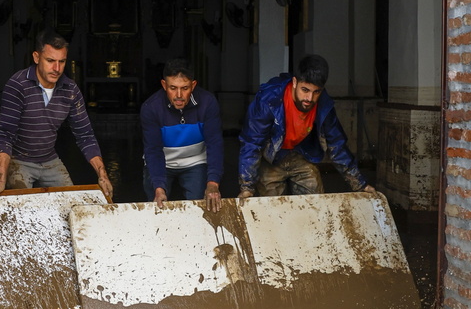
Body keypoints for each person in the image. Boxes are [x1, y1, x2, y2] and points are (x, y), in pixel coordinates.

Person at [0, 30, 113, 200]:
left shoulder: (70, 90)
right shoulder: (17, 85)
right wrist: (1, 177)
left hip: (49, 159)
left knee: (70, 204)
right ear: (36, 57)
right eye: (50, 61)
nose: (57, 68)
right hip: (17, 160)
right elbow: (5, 134)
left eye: (61, 62)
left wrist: (102, 174)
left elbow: (85, 136)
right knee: (23, 205)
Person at [238, 54, 374, 198]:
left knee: (316, 204)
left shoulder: (324, 104)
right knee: (272, 209)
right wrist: (247, 186)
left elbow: (337, 145)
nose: (310, 98)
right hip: (271, 159)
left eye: (316, 92)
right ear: (295, 82)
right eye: (305, 90)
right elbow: (252, 142)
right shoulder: (268, 100)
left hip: (301, 154)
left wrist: (360, 183)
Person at [140, 58, 224, 211]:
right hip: (162, 163)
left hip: (195, 161)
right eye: (173, 88)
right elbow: (153, 151)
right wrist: (159, 187)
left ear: (193, 85)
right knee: (157, 208)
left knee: (201, 208)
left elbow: (215, 144)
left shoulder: (208, 102)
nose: (179, 95)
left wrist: (213, 183)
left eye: (184, 88)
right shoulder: (151, 108)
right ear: (164, 85)